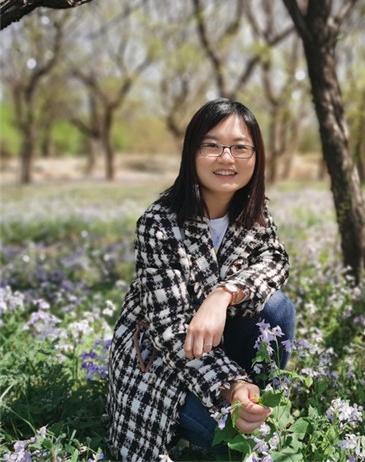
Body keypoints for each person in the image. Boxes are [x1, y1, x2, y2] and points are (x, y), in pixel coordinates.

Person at [106, 98, 295, 461]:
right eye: (212, 146)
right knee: (232, 443)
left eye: (240, 148)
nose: (227, 158)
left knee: (277, 307)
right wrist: (231, 385)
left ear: (256, 157)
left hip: (220, 345)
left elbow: (275, 259)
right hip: (165, 365)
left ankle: (256, 405)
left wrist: (223, 295)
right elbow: (170, 331)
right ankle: (227, 410)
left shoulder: (252, 212)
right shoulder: (159, 223)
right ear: (191, 153)